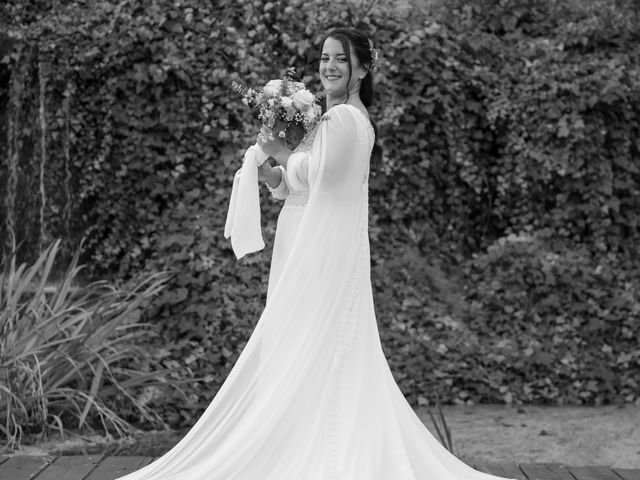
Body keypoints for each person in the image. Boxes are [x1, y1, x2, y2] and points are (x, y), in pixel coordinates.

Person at [117, 28, 516, 480]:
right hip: (300, 237)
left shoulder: (346, 120)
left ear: (362, 69)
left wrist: (282, 150)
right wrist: (272, 173)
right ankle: (291, 441)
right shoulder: (329, 119)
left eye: (341, 60)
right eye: (324, 57)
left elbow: (324, 180)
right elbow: (299, 185)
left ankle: (323, 450)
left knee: (322, 345)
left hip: (322, 250)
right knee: (296, 343)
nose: (329, 66)